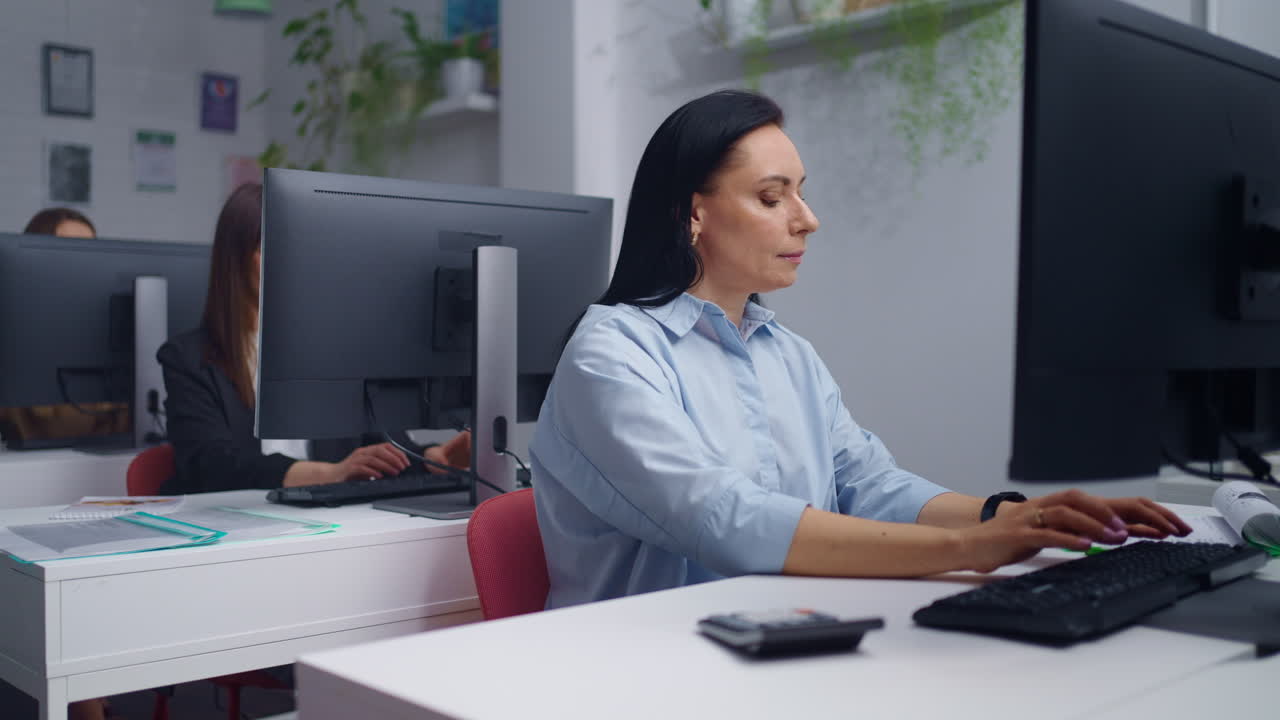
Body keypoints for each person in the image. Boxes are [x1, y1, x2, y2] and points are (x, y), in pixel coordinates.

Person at [529, 90, 1192, 610]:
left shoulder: (786, 353)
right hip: (639, 666)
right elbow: (720, 520)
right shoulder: (609, 354)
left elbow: (870, 485)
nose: (806, 218)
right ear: (692, 215)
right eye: (771, 196)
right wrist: (973, 547)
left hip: (775, 640)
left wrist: (1020, 516)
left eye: (800, 190)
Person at [158, 182, 469, 495]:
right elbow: (211, 465)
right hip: (236, 523)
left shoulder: (336, 352)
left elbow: (382, 446)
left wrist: (432, 458)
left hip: (323, 521)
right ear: (235, 259)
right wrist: (331, 472)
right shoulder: (187, 358)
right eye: (272, 246)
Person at [0, 208, 128, 451]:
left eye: (90, 253)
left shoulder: (105, 328)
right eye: (70, 251)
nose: (82, 263)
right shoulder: (13, 332)